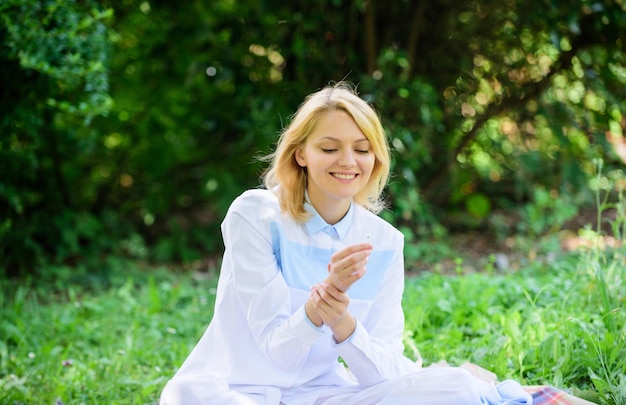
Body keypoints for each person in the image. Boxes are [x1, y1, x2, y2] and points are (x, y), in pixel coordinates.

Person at [159, 82, 534, 404]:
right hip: (236, 393)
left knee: (458, 390)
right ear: (300, 154)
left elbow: (381, 372)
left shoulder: (384, 242)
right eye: (329, 148)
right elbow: (279, 353)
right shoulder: (255, 215)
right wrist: (322, 302)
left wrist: (342, 320)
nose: (348, 161)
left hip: (324, 396)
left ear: (376, 157)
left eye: (362, 148)